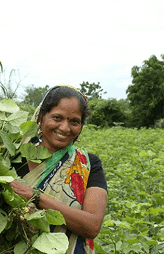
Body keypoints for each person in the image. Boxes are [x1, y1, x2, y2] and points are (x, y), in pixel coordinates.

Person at [11, 85, 108, 253]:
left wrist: (34, 196)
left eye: (74, 122)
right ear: (41, 118)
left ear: (81, 126)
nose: (65, 128)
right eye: (57, 118)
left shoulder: (88, 164)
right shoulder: (13, 157)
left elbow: (92, 226)